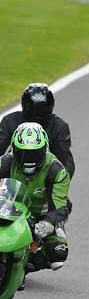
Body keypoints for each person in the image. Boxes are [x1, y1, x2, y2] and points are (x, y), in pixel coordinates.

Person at [0, 122, 70, 286]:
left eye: (33, 154)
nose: (28, 160)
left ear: (44, 149)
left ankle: (23, 266)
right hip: (9, 211)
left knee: (58, 253)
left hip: (41, 217)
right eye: (23, 154)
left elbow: (60, 206)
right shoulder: (4, 163)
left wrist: (48, 223)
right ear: (14, 149)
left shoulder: (56, 171)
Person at [0, 83, 75, 178]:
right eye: (33, 107)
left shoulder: (59, 126)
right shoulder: (10, 121)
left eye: (42, 108)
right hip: (14, 175)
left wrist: (61, 180)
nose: (37, 111)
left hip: (44, 178)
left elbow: (65, 159)